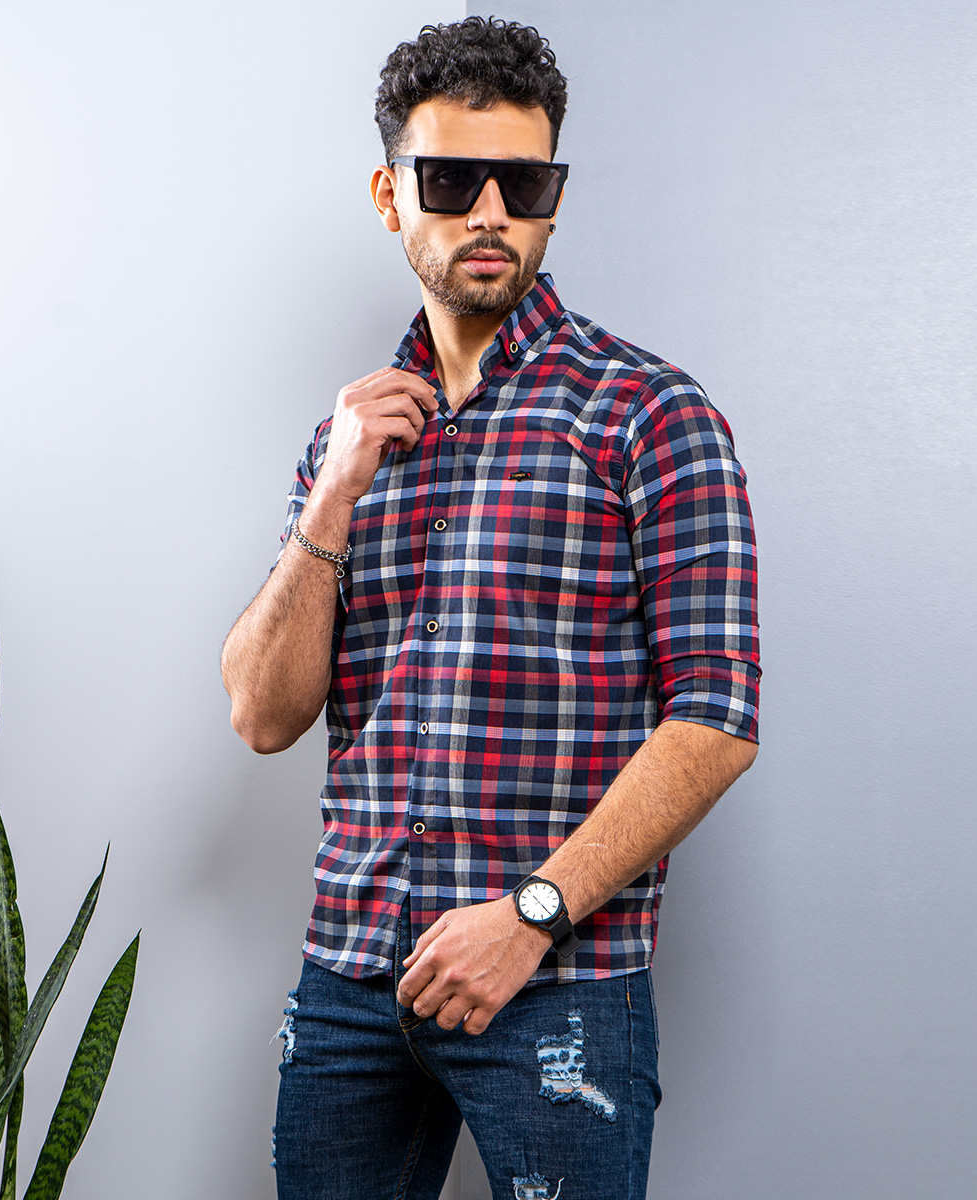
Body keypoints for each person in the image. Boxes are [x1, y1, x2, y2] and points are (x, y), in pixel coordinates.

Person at [221, 16, 760, 1200]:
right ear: (389, 194)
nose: (490, 212)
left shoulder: (650, 416)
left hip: (556, 986)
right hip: (350, 980)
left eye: (525, 184)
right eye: (452, 180)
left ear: (554, 197)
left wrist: (531, 914)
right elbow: (263, 715)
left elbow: (716, 720)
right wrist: (335, 491)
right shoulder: (347, 441)